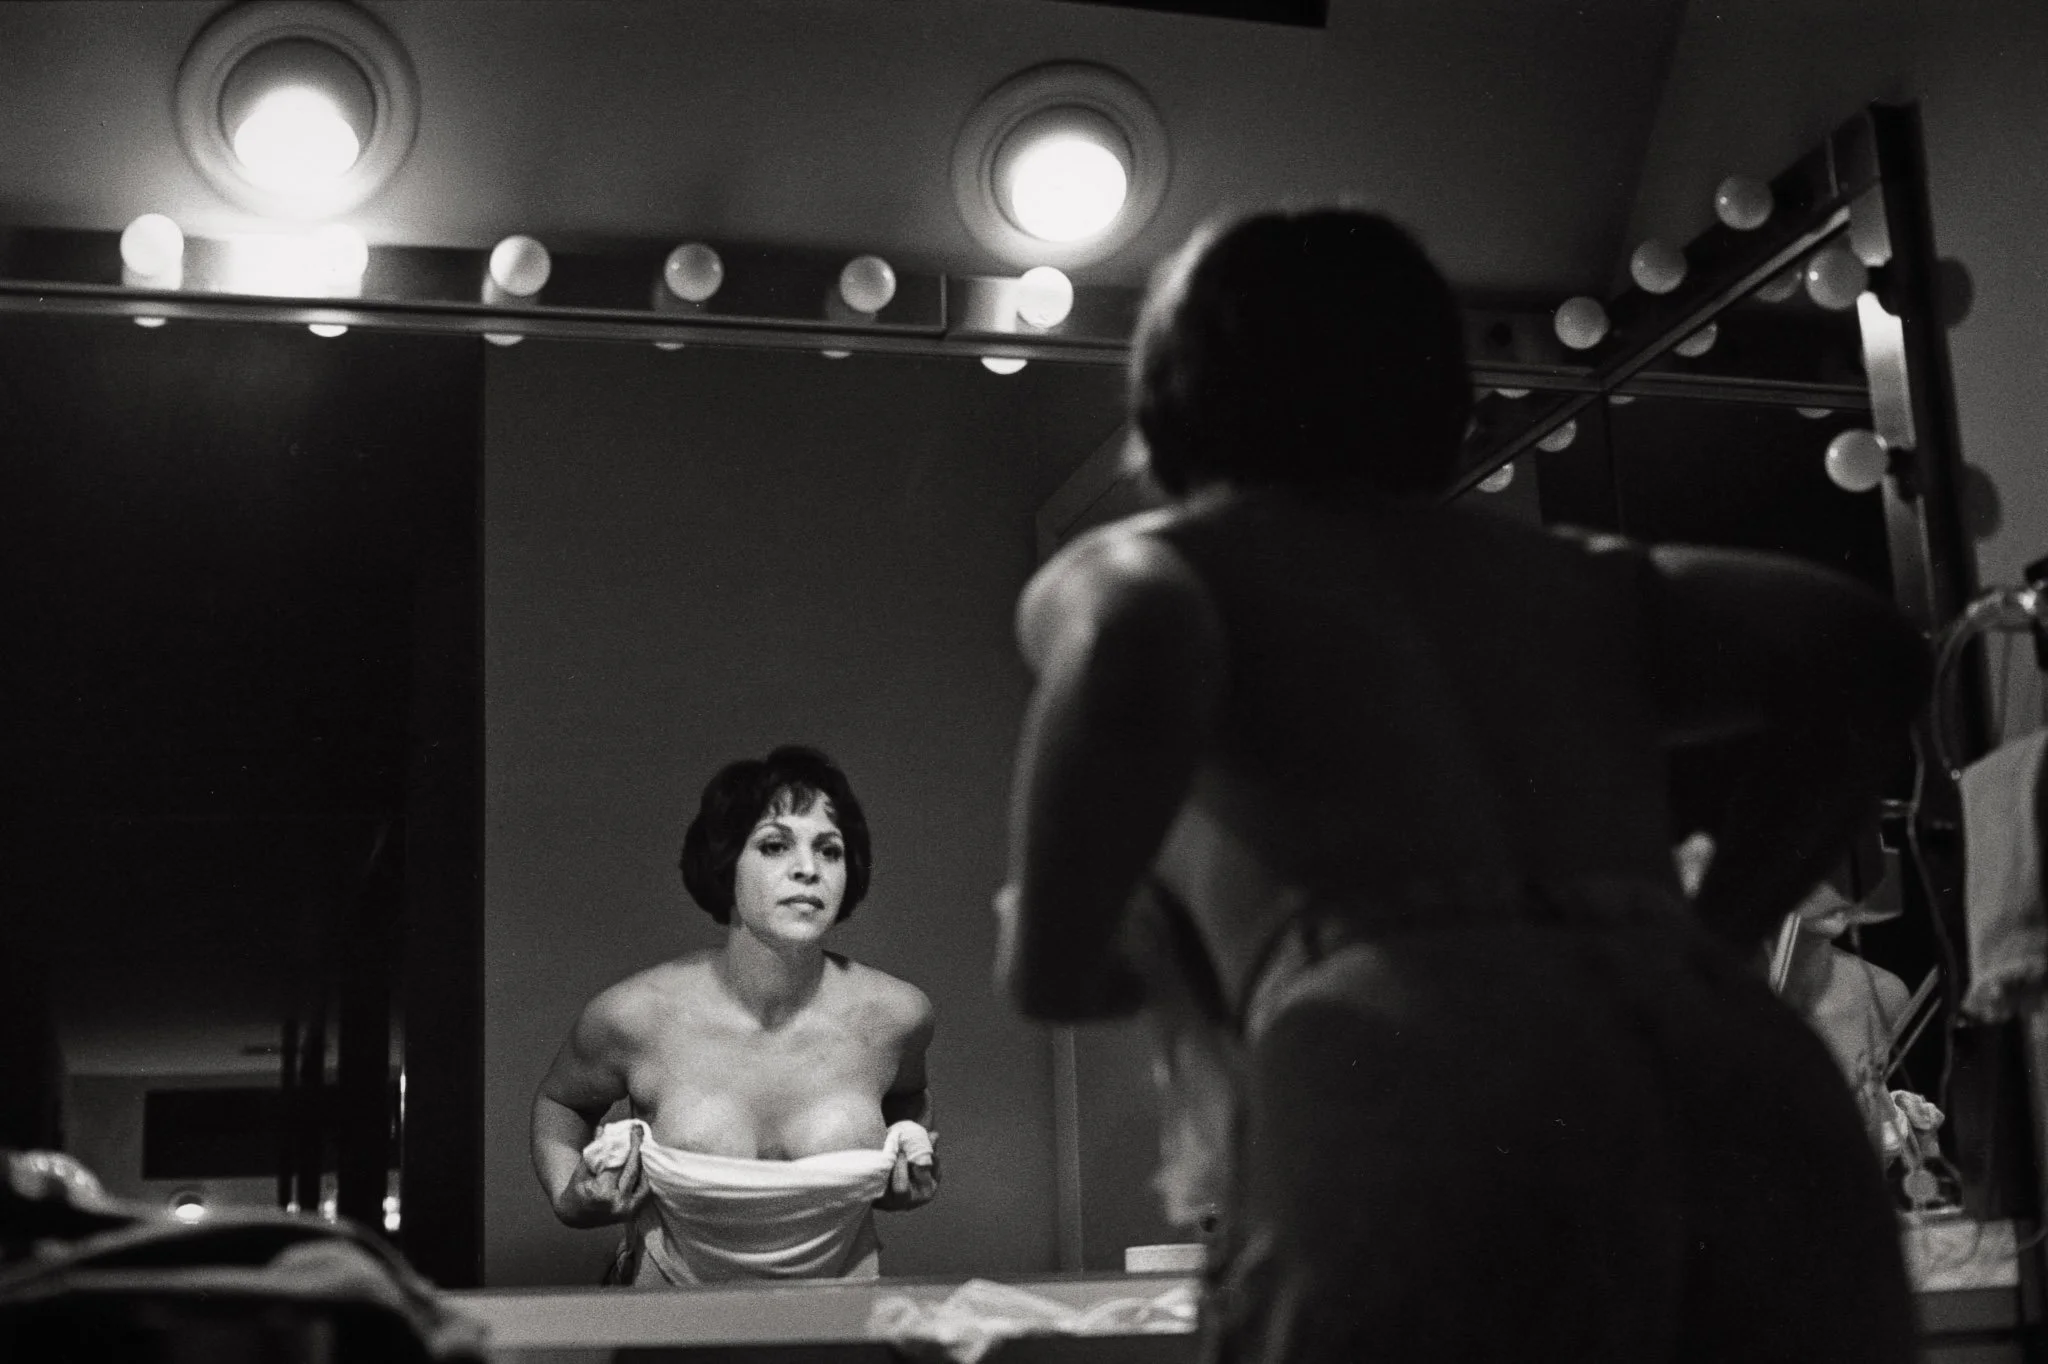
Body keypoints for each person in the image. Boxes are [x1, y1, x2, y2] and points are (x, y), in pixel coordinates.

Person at [994, 209, 1930, 1363]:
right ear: (1445, 402)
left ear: (1164, 416)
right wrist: (1710, 929)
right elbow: (1864, 650)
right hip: (1737, 1070)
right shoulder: (1579, 582)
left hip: (1419, 1069)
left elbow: (1132, 633)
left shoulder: (1178, 560)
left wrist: (1060, 941)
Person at [532, 745, 937, 1285]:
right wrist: (572, 1201)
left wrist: (907, 1168)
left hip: (839, 1328)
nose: (807, 869)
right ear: (725, 861)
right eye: (774, 846)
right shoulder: (636, 1015)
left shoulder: (897, 1016)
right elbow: (559, 1103)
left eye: (830, 850)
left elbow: (909, 1102)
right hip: (672, 1327)